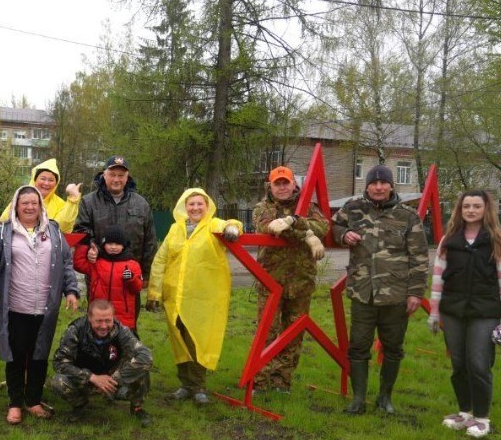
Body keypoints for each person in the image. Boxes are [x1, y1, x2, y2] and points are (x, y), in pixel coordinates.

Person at [0, 185, 80, 424]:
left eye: (34, 202)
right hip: (15, 306)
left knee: (39, 355)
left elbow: (66, 262)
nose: (30, 207)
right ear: (16, 205)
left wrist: (71, 290)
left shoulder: (53, 230)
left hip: (46, 308)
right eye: (24, 203)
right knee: (15, 356)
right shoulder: (4, 231)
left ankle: (33, 400)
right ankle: (15, 404)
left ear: (40, 205)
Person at [332, 164, 428, 415]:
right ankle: (358, 399)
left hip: (396, 295)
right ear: (367, 186)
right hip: (363, 292)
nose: (378, 187)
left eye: (383, 183)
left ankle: (385, 398)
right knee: (358, 347)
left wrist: (416, 293)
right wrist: (344, 235)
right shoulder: (352, 208)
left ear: (391, 186)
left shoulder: (408, 216)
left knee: (393, 347)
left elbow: (419, 257)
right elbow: (334, 227)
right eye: (373, 183)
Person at [146, 188, 242, 404]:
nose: (195, 208)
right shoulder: (174, 229)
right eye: (191, 204)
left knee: (198, 340)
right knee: (179, 340)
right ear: (184, 206)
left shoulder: (213, 226)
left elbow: (232, 224)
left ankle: (198, 386)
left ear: (207, 207)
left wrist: (233, 228)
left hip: (203, 298)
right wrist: (154, 292)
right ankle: (185, 385)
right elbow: (161, 260)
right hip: (174, 297)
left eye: (200, 204)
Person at [428, 190, 501, 438]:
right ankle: (465, 413)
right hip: (453, 311)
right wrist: (434, 313)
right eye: (466, 206)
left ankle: (482, 418)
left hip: (485, 312)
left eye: (476, 206)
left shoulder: (496, 240)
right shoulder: (449, 240)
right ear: (460, 209)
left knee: (478, 364)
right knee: (459, 364)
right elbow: (438, 278)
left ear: (485, 209)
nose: (471, 210)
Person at [251, 166, 328, 392]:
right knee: (267, 332)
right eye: (278, 183)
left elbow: (323, 225)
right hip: (270, 282)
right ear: (270, 186)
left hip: (301, 282)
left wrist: (295, 221)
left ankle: (281, 381)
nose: (282, 187)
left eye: (286, 183)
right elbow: (268, 228)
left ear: (294, 184)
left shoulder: (308, 207)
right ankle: (260, 381)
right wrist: (308, 235)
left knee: (293, 334)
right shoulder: (261, 208)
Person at [74, 155, 158, 326]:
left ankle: (125, 352)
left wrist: (147, 275)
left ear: (127, 178)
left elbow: (150, 241)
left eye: (121, 175)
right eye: (112, 174)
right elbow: (81, 231)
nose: (116, 179)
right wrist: (91, 246)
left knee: (127, 323)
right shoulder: (88, 202)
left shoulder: (141, 204)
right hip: (100, 276)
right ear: (104, 175)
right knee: (99, 323)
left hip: (129, 278)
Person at [49, 299, 154, 426]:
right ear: (89, 318)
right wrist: (92, 377)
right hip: (86, 378)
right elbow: (59, 363)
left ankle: (137, 407)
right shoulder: (75, 330)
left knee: (142, 367)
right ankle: (80, 403)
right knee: (57, 382)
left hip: (113, 378)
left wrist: (114, 379)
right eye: (99, 321)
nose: (104, 326)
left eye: (108, 321)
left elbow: (145, 355)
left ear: (113, 318)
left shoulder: (121, 330)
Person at [73, 225, 143, 333]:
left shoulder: (133, 264)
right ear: (103, 244)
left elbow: (137, 288)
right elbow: (78, 264)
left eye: (117, 244)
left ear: (124, 245)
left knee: (123, 347)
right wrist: (83, 243)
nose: (113, 247)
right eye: (110, 243)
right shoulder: (97, 262)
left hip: (123, 318)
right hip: (99, 314)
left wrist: (131, 279)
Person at [0, 158, 81, 233]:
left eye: (51, 180)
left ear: (56, 184)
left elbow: (61, 228)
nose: (46, 183)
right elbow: (3, 224)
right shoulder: (20, 199)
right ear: (35, 179)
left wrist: (73, 199)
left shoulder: (60, 204)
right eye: (43, 178)